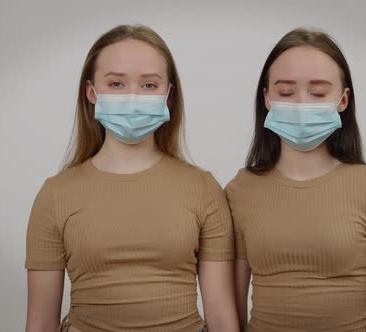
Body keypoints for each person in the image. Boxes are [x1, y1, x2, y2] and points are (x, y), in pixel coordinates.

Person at [25, 24, 238, 332]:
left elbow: (221, 319)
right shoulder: (55, 194)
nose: (133, 97)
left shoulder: (203, 189)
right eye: (116, 84)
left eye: (149, 85)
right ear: (91, 93)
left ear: (168, 95)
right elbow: (40, 322)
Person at [226, 28, 366, 332]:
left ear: (343, 100)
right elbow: (229, 318)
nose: (301, 104)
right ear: (267, 99)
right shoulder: (240, 190)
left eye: (318, 93)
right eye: (286, 92)